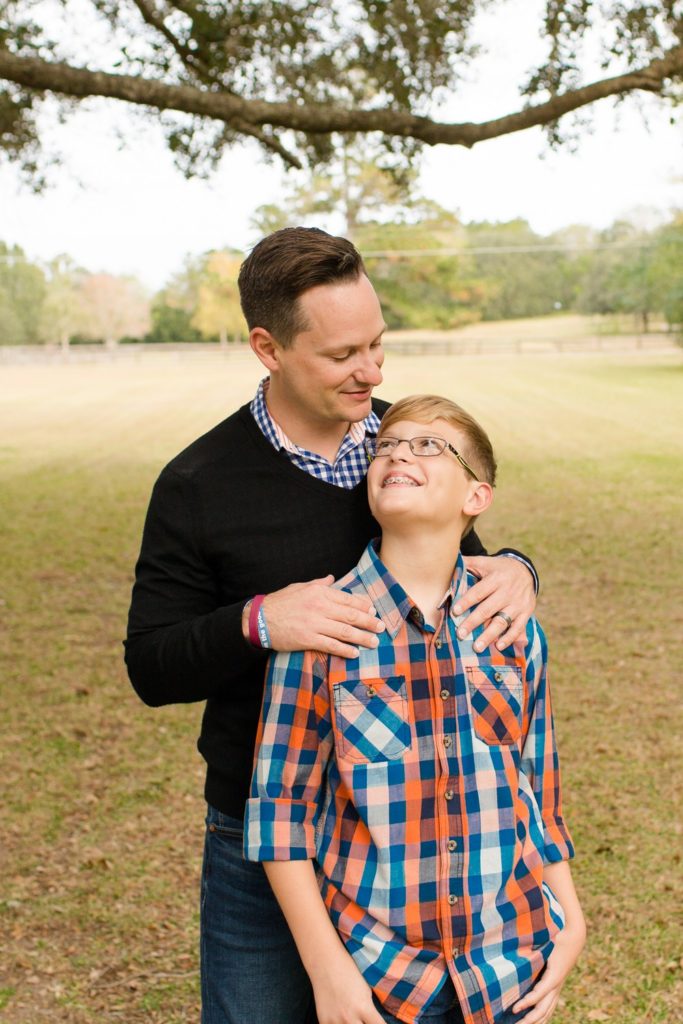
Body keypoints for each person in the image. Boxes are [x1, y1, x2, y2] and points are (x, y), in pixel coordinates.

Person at [124, 229, 539, 1024]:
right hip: (266, 837)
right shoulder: (197, 484)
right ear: (267, 348)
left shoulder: (404, 449)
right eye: (344, 354)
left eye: (378, 344)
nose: (373, 372)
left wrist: (518, 568)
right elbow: (151, 665)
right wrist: (258, 622)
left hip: (405, 828)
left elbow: (461, 558)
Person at [245, 394, 585, 1024]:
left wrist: (572, 920)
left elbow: (536, 786)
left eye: (429, 445)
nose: (399, 451)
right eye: (386, 446)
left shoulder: (512, 630)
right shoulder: (325, 629)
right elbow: (281, 817)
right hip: (380, 977)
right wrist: (330, 976)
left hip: (508, 966)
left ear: (476, 497)